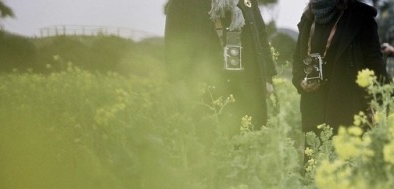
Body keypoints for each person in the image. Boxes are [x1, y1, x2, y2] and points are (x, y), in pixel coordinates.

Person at [164, 0, 277, 130]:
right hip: (206, 84)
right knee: (211, 136)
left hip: (246, 82)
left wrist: (268, 77)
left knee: (250, 135)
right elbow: (173, 42)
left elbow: (261, 34)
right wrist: (177, 81)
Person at [292, 0, 390, 139]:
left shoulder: (360, 16)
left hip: (349, 108)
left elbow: (375, 62)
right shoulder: (309, 17)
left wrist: (386, 102)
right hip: (315, 108)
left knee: (347, 160)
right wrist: (300, 80)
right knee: (316, 158)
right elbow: (298, 58)